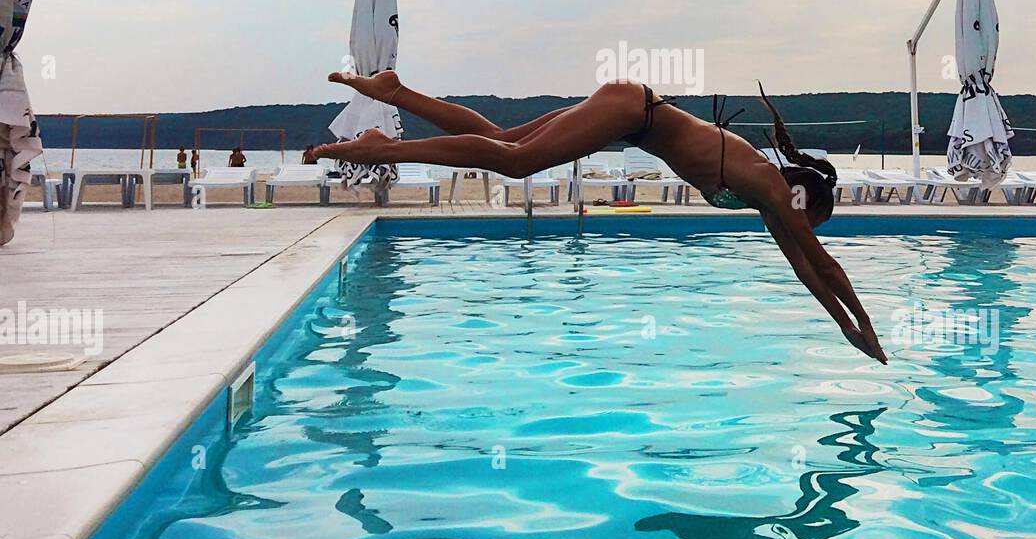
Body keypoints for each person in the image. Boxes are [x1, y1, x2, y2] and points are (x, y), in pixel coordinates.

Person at [308, 71, 886, 362]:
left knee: (502, 140)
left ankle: (396, 91)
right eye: (813, 220)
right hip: (631, 109)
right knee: (515, 162)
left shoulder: (764, 191)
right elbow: (824, 266)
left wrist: (846, 327)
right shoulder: (765, 183)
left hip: (630, 110)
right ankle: (374, 146)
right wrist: (859, 327)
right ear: (803, 198)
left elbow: (805, 266)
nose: (805, 230)